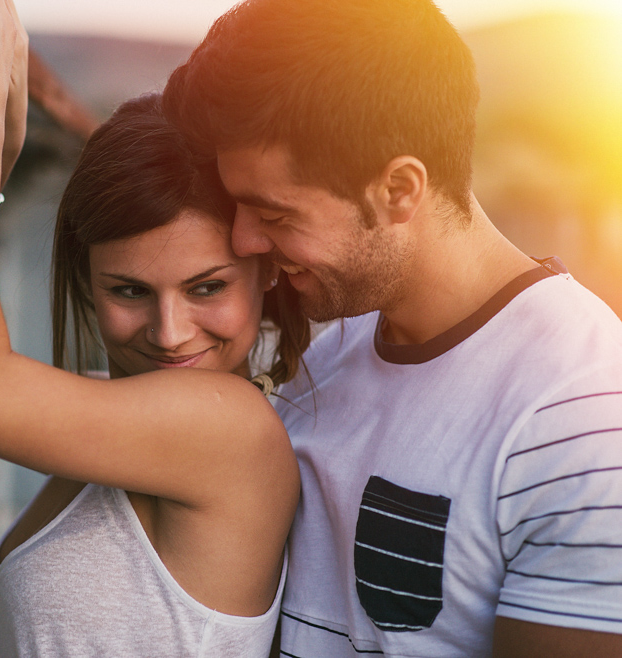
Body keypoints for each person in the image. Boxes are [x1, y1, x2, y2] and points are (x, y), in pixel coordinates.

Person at [0, 0, 311, 655]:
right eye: (128, 290)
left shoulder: (229, 429)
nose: (171, 332)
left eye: (207, 287)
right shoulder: (109, 412)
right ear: (87, 282)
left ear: (263, 272)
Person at [161, 0, 622, 656]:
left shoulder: (582, 414)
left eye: (275, 213)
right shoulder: (332, 352)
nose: (245, 239)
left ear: (400, 190)